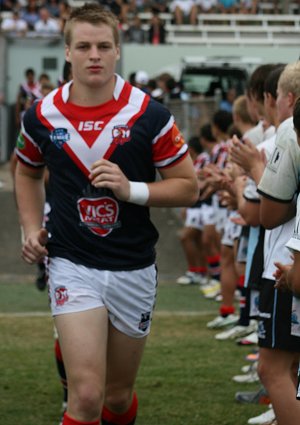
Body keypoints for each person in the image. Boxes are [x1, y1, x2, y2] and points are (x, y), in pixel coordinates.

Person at [14, 4, 198, 425]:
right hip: (71, 262)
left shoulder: (149, 114)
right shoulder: (40, 115)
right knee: (85, 395)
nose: (93, 55)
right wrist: (30, 227)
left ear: (117, 51)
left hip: (133, 264)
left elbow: (189, 187)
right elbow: (25, 169)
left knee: (116, 397)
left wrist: (130, 188)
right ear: (67, 52)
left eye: (102, 46)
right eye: (83, 46)